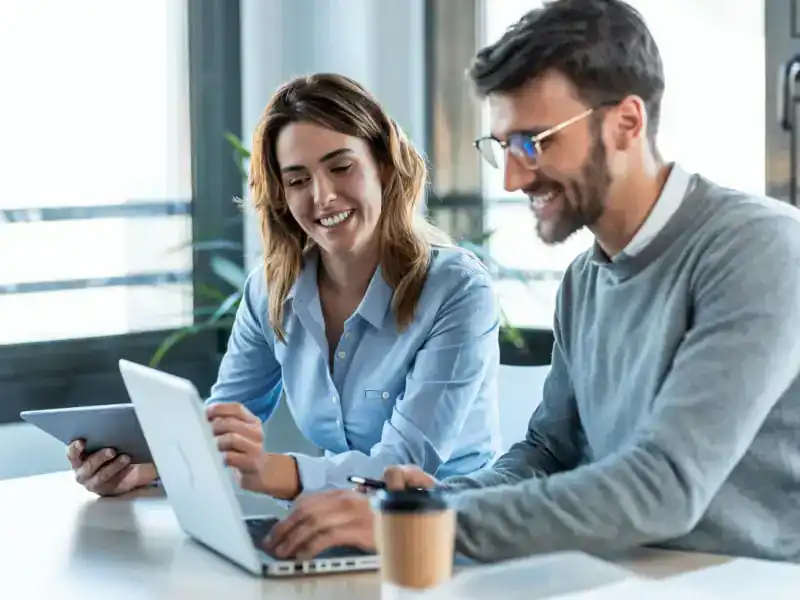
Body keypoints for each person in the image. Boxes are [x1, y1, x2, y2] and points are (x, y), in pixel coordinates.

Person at [260, 0, 800, 564]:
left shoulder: (760, 250)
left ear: (627, 124)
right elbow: (549, 450)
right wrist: (425, 504)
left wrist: (432, 523)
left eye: (534, 142)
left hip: (744, 579)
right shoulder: (585, 280)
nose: (514, 177)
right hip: (623, 571)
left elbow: (662, 487)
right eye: (502, 147)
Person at [67, 73, 502, 500]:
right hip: (336, 527)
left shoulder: (456, 289)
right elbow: (224, 424)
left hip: (448, 530)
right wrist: (142, 470)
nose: (322, 196)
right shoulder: (272, 291)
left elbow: (403, 466)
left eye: (342, 167)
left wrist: (267, 470)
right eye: (297, 180)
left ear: (384, 167)